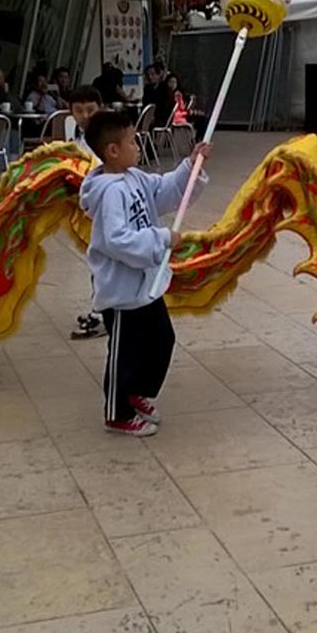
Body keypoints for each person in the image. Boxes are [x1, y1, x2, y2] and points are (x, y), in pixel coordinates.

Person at [80, 110, 211, 435]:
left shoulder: (134, 178)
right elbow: (117, 240)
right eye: (132, 141)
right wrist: (162, 239)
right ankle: (117, 412)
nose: (138, 146)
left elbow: (164, 190)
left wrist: (190, 166)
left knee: (161, 340)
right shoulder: (111, 192)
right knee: (125, 354)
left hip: (146, 285)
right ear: (113, 150)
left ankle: (137, 392)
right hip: (122, 291)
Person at [65, 87, 108, 341]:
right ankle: (101, 308)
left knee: (103, 263)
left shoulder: (107, 139)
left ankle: (102, 313)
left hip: (108, 210)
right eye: (79, 111)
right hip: (91, 211)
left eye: (90, 110)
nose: (85, 116)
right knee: (97, 262)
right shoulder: (76, 138)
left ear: (100, 108)